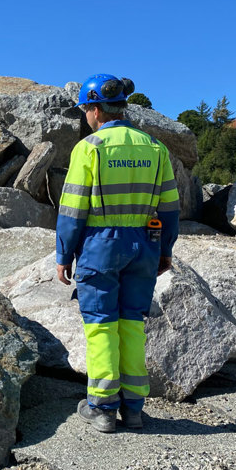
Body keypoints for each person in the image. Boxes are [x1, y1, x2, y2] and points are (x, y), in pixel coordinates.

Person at [56, 74, 180, 433]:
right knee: (131, 326)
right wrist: (165, 250)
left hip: (100, 246)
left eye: (85, 110)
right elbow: (170, 206)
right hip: (145, 245)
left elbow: (72, 210)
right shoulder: (156, 148)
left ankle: (103, 409)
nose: (85, 116)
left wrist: (64, 254)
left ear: (94, 109)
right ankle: (135, 409)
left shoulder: (89, 148)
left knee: (101, 326)